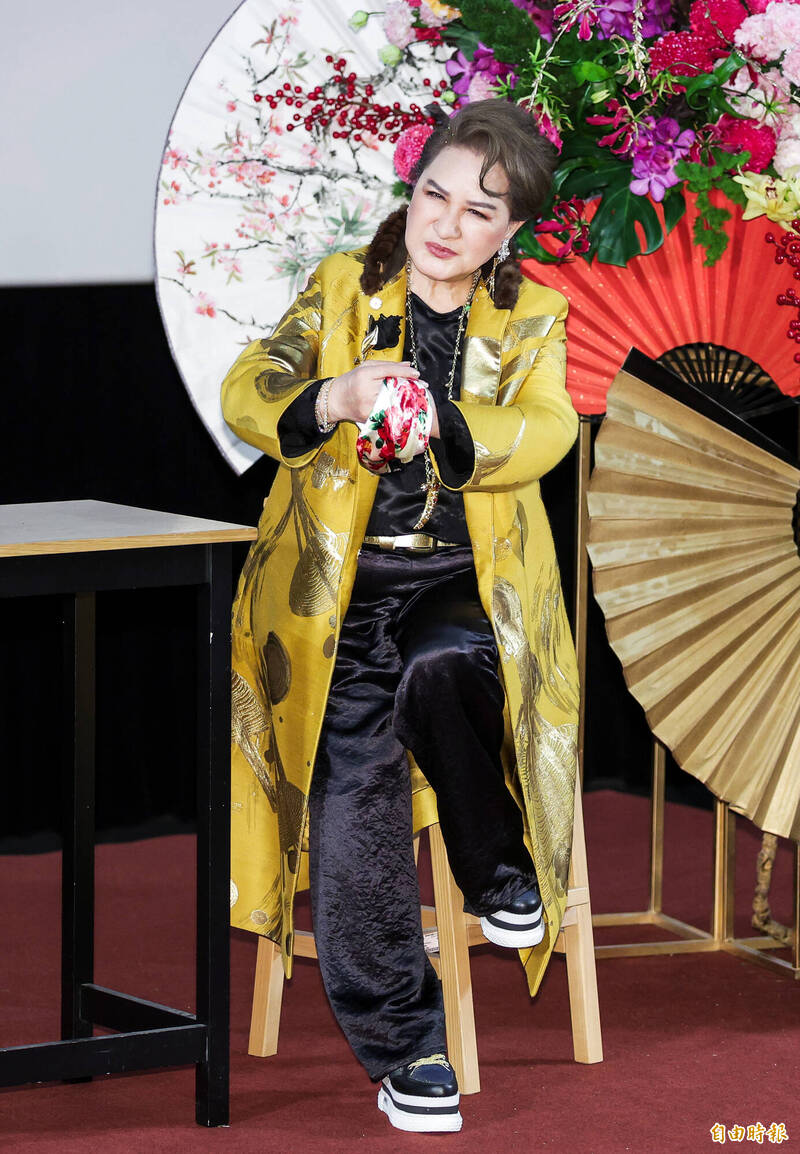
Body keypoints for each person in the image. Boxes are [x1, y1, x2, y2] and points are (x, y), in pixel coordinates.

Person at [222, 99, 580, 1134]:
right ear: (409, 188)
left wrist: (449, 421)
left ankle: (494, 864)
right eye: (435, 194)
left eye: (479, 211)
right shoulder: (344, 284)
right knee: (356, 787)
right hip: (335, 591)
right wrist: (331, 398)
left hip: (467, 577)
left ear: (510, 231)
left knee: (443, 661)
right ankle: (406, 1044)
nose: (447, 224)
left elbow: (549, 427)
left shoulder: (534, 316)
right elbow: (251, 385)